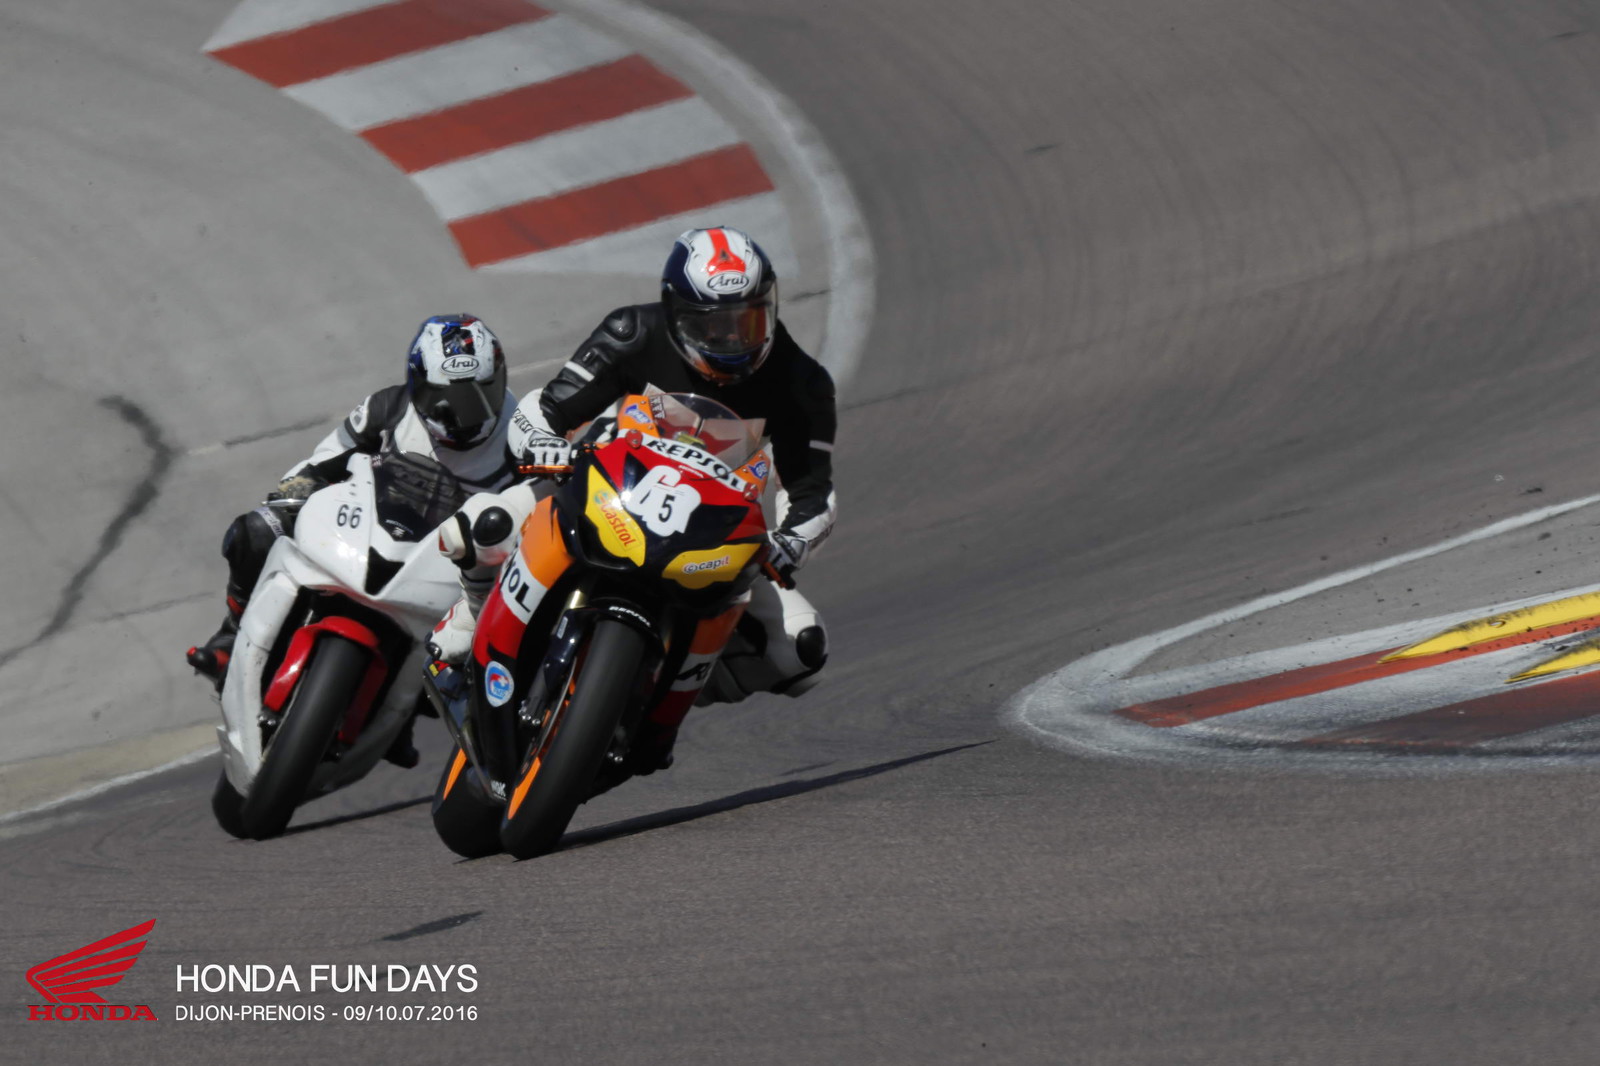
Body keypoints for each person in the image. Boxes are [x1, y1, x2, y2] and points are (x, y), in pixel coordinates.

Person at [429, 226, 836, 772]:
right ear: (675, 312)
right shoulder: (631, 332)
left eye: (748, 321)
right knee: (482, 526)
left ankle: (654, 699)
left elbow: (814, 493)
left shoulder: (802, 382)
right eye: (711, 324)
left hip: (713, 528)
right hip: (602, 479)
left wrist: (791, 543)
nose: (731, 340)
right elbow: (545, 409)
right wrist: (546, 444)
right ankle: (473, 624)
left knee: (801, 651)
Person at [185, 314, 520, 765]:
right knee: (257, 530)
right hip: (369, 528)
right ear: (416, 384)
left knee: (492, 635)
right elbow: (325, 458)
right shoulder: (390, 406)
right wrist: (294, 491)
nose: (460, 416)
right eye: (442, 399)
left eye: (478, 396)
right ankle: (230, 636)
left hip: (454, 565)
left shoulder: (522, 434)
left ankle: (407, 712)